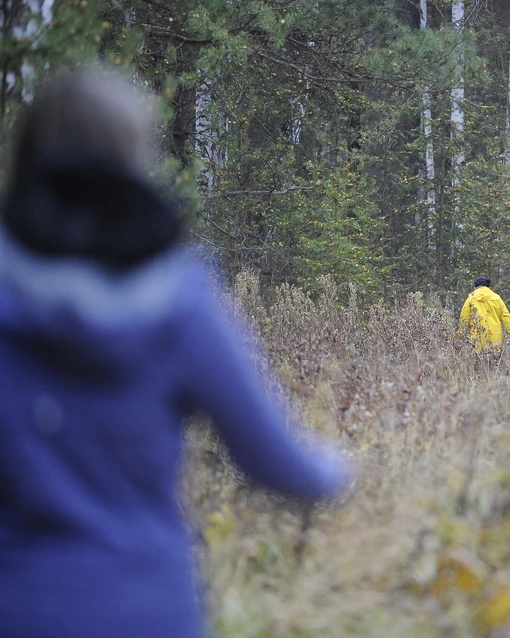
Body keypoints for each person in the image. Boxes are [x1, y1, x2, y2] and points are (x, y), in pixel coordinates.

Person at [0, 69, 349, 638]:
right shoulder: (181, 300)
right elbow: (280, 464)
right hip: (149, 609)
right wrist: (340, 471)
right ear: (132, 157)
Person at [458, 276, 510, 354]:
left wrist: (460, 334)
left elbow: (464, 318)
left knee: (479, 360)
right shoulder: (496, 298)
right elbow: (506, 317)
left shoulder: (471, 299)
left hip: (477, 338)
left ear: (475, 287)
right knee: (494, 360)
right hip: (495, 338)